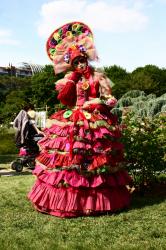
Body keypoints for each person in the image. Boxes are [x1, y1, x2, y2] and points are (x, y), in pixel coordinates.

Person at [28, 21, 132, 217]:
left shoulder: (99, 76)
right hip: (73, 119)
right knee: (70, 159)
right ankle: (68, 201)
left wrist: (102, 101)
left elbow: (110, 98)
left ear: (87, 59)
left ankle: (99, 201)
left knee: (98, 157)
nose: (80, 65)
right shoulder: (68, 79)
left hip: (96, 119)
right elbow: (65, 100)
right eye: (76, 62)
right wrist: (73, 79)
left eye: (82, 60)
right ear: (71, 64)